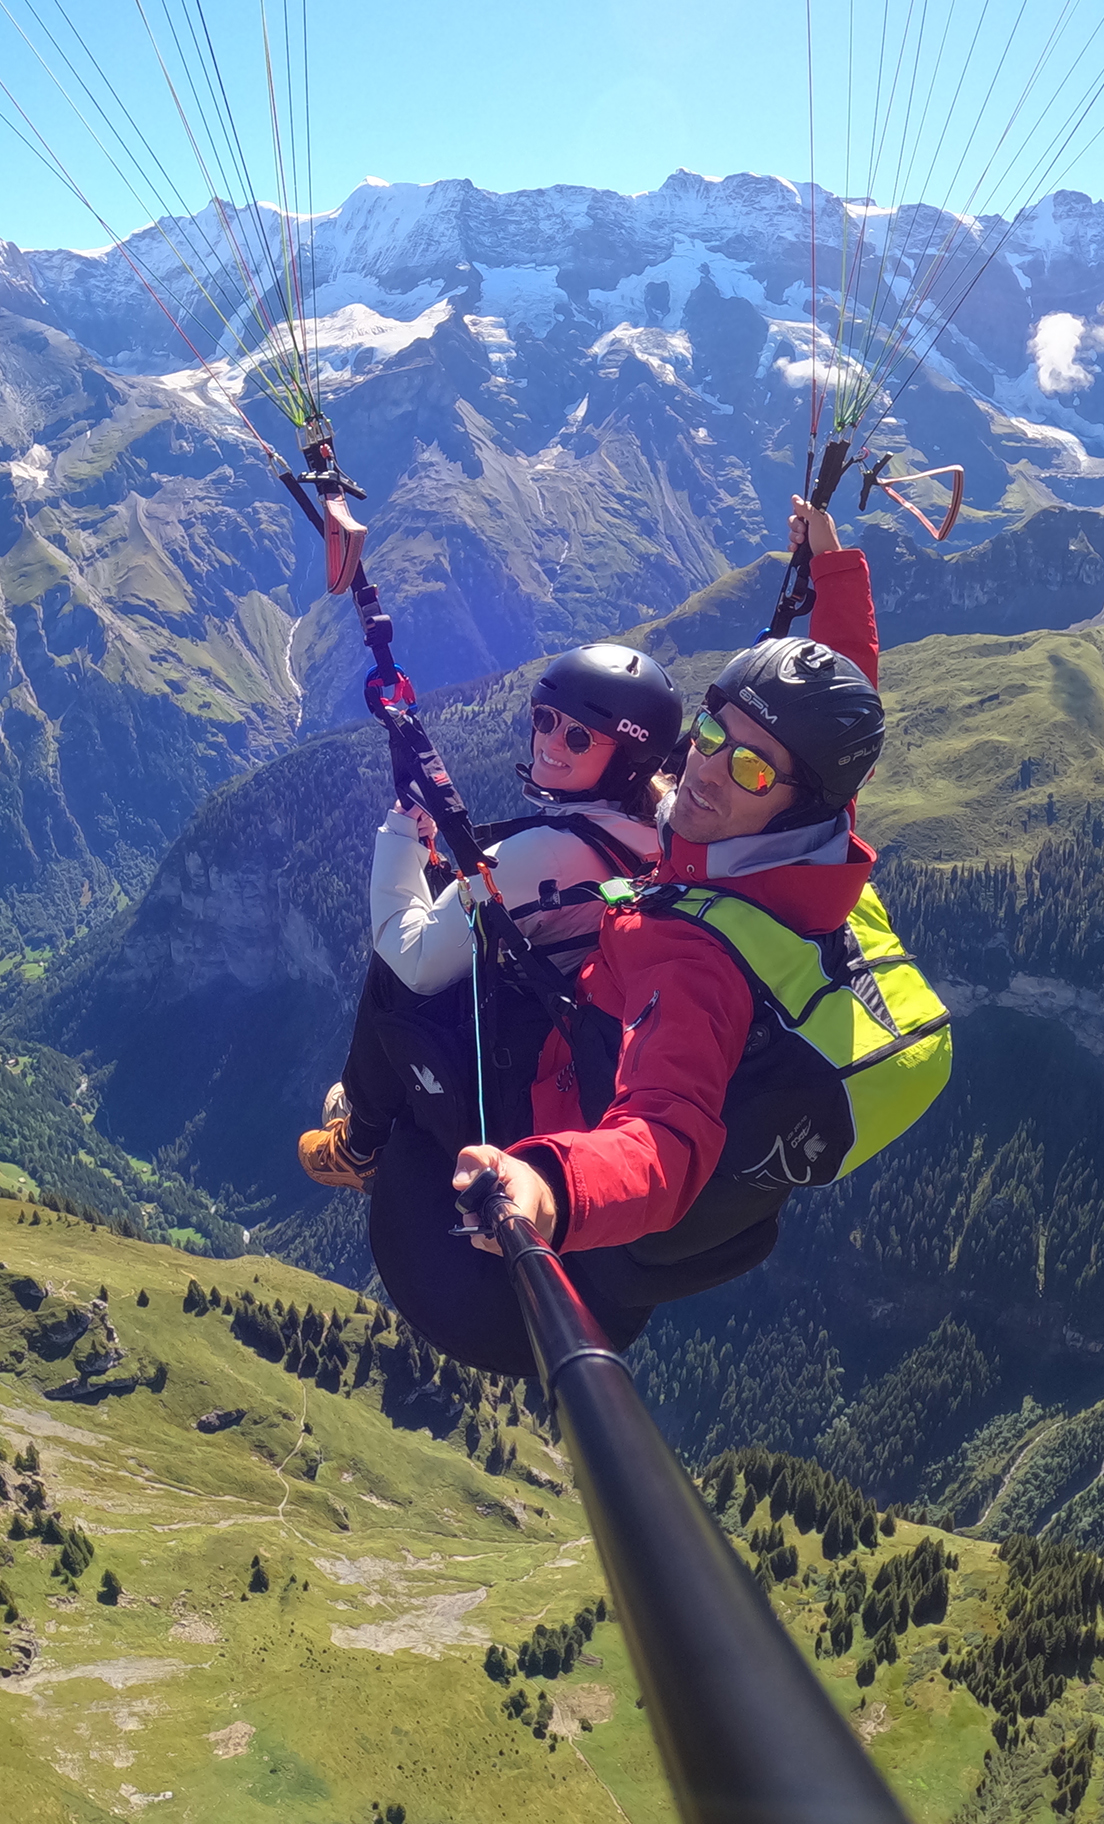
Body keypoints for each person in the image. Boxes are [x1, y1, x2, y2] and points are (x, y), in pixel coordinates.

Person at [373, 495, 893, 1378]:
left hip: (560, 1149)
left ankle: (360, 1129)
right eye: (711, 734)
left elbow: (667, 1139)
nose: (704, 775)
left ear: (794, 798)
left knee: (413, 996)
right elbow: (847, 698)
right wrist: (834, 568)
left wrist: (549, 1187)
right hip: (624, 1140)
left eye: (751, 768)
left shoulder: (696, 958)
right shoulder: (811, 840)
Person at [296, 641, 684, 1189]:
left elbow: (413, 957)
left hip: (525, 1053)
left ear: (628, 759)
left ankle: (360, 1140)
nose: (549, 742)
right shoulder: (668, 826)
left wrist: (403, 832)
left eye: (578, 736)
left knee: (393, 968)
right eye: (544, 718)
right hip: (589, 1024)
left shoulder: (544, 854)